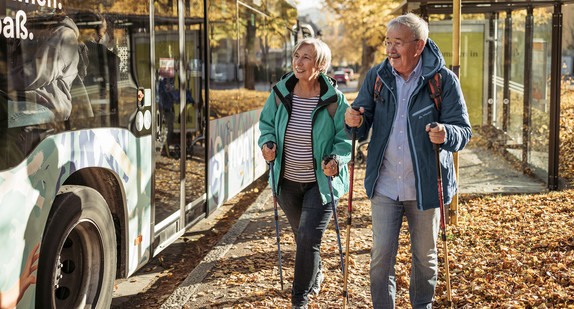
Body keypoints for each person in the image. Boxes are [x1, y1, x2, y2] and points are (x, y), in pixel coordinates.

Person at [345, 13, 472, 308]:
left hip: (426, 187)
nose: (390, 49)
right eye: (388, 42)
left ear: (419, 45)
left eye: (398, 43)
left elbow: (463, 131)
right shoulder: (377, 77)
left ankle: (422, 305)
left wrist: (446, 133)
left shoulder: (443, 81)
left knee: (425, 260)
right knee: (380, 260)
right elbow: (359, 124)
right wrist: (352, 120)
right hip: (385, 185)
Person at [258, 37, 352, 309]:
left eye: (306, 57)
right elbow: (266, 125)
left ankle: (299, 299)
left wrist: (336, 158)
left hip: (320, 184)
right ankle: (316, 270)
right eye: (296, 56)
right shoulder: (280, 93)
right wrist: (267, 143)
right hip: (286, 182)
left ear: (320, 65)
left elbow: (345, 138)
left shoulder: (335, 100)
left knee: (309, 238)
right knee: (304, 238)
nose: (298, 62)